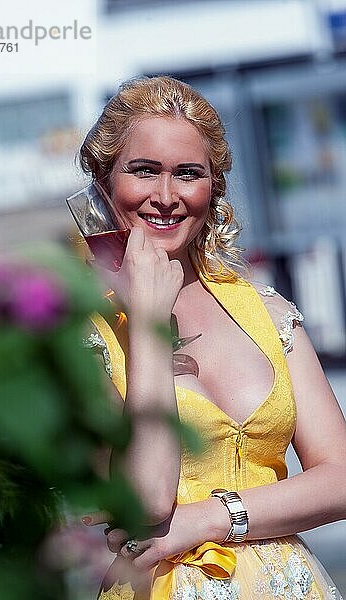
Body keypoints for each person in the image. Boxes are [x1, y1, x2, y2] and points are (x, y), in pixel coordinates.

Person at [78, 76, 346, 599]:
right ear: (104, 183)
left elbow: (340, 478)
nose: (165, 196)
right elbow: (149, 499)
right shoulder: (81, 333)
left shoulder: (265, 311)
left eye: (187, 174)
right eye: (143, 171)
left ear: (213, 189)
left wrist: (209, 518)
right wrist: (149, 319)